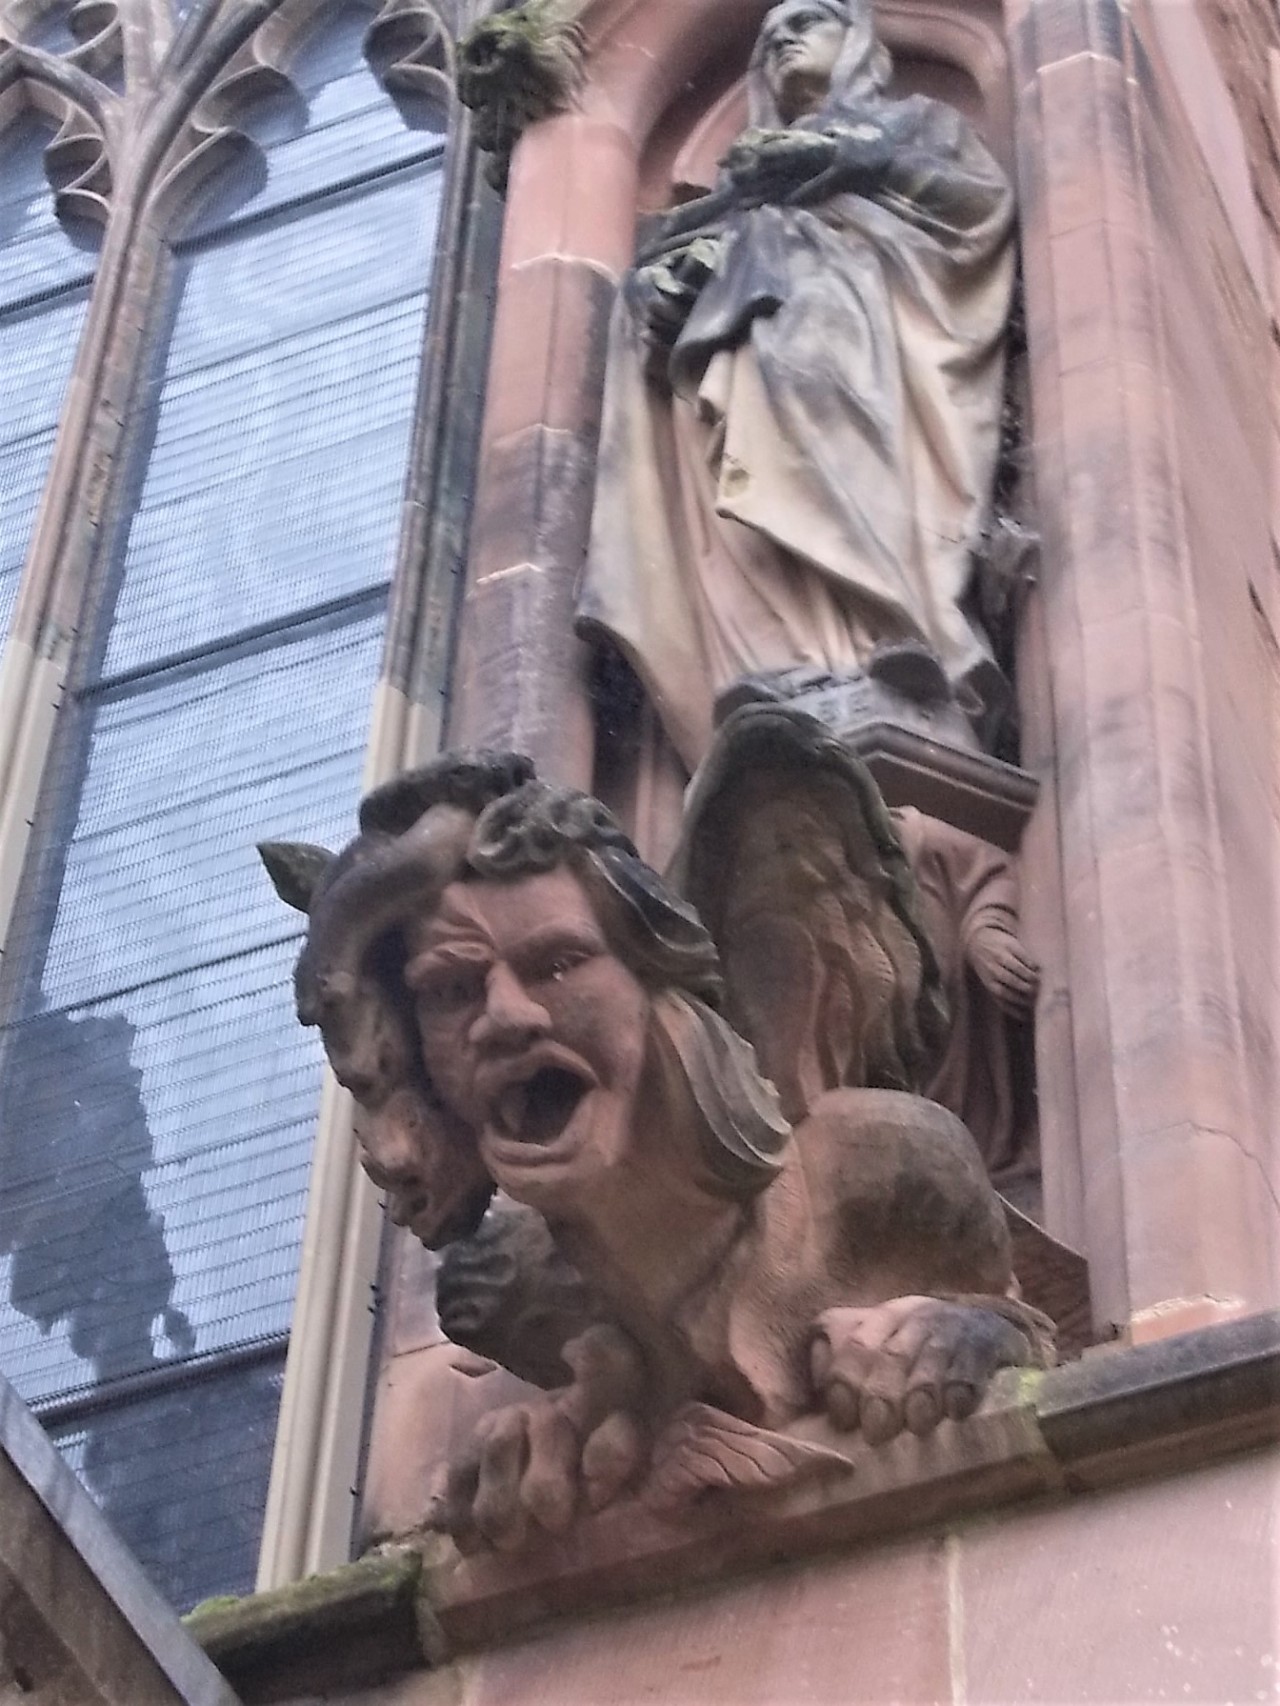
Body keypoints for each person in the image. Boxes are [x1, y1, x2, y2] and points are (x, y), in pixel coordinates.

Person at [579, 0, 1016, 770]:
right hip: (751, 345)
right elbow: (668, 279)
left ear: (856, 44)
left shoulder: (916, 126)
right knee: (744, 488)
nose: (782, 38)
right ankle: (786, 665)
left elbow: (978, 211)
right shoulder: (739, 183)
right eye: (772, 33)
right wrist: (675, 285)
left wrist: (854, 165)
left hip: (857, 335)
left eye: (807, 22)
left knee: (833, 455)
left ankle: (896, 648)